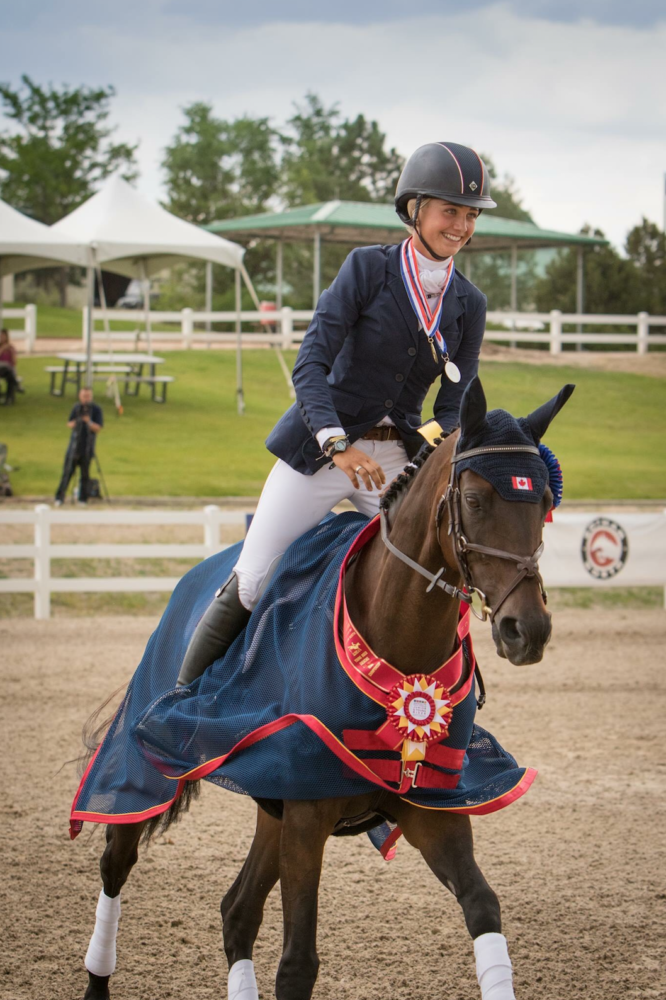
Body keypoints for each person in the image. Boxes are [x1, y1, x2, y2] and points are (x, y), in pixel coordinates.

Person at [177, 141, 497, 686]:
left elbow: (452, 406)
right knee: (251, 580)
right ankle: (178, 709)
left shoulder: (470, 303)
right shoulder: (367, 269)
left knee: (438, 569)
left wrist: (449, 453)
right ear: (415, 209)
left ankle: (443, 705)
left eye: (470, 215)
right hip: (319, 454)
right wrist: (337, 446)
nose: (461, 225)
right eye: (451, 211)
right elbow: (311, 363)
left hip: (395, 461)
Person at [54, 387, 104, 506]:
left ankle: (83, 498)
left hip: (87, 446)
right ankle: (59, 497)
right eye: (84, 396)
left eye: (88, 396)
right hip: (74, 446)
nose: (86, 399)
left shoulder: (96, 410)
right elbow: (69, 423)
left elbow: (98, 428)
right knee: (67, 473)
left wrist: (88, 422)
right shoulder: (76, 408)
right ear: (79, 396)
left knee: (85, 474)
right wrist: (77, 422)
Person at [0, 328, 23, 403]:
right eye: (1, 336)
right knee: (9, 373)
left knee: (9, 374)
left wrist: (12, 352)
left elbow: (14, 362)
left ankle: (8, 399)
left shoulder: (11, 348)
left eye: (3, 336)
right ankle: (16, 385)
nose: (2, 337)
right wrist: (3, 348)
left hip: (7, 371)